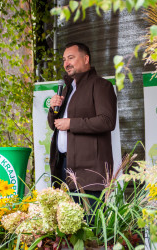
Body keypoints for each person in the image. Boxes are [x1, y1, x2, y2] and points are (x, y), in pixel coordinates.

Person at [47, 42, 117, 205]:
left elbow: (107, 121)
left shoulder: (101, 86)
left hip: (90, 171)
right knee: (69, 225)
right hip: (64, 165)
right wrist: (52, 109)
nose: (66, 63)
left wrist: (72, 123)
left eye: (71, 58)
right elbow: (54, 125)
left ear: (86, 59)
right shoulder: (67, 90)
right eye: (64, 59)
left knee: (90, 224)